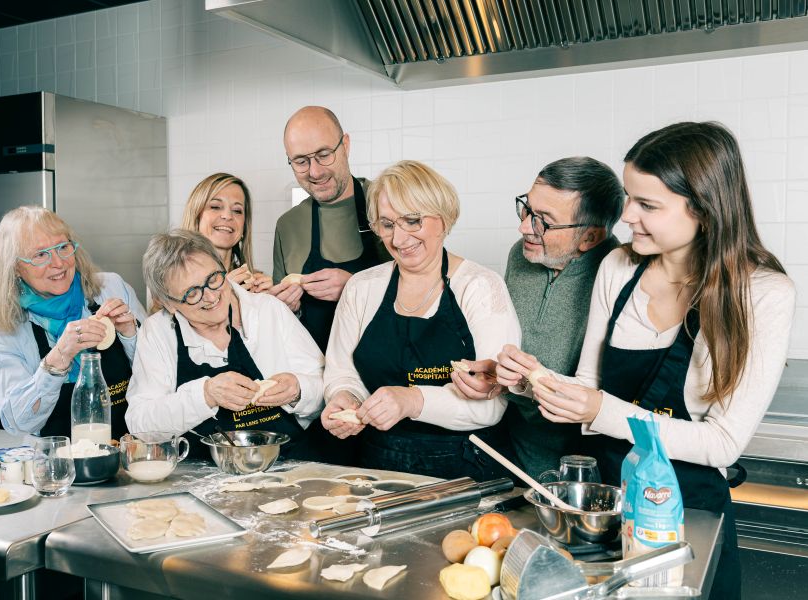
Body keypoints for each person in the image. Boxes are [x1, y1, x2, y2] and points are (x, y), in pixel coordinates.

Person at [496, 122, 795, 600]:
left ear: (704, 209)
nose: (626, 216)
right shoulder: (619, 269)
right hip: (605, 507)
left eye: (647, 205)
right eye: (630, 197)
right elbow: (590, 385)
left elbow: (721, 444)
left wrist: (599, 410)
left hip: (688, 519)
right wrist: (530, 379)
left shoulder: (762, 293)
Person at [321, 160, 523, 479]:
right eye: (387, 224)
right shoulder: (362, 288)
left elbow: (492, 403)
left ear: (443, 219)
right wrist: (344, 398)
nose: (399, 239)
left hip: (468, 466)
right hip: (378, 464)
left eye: (412, 221)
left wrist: (413, 400)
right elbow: (342, 372)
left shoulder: (481, 287)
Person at [125, 229, 324, 459]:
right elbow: (141, 425)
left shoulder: (268, 310)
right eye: (192, 293)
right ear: (169, 304)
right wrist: (206, 394)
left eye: (213, 279)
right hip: (200, 474)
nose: (211, 297)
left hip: (288, 463)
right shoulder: (158, 331)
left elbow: (326, 389)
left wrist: (298, 389)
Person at [498, 157, 624, 478]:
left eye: (544, 220)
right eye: (527, 209)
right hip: (511, 450)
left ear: (590, 238)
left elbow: (607, 395)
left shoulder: (620, 275)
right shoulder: (520, 254)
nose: (524, 227)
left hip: (583, 467)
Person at [0, 206, 146, 437]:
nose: (59, 263)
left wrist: (130, 335)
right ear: (14, 267)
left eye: (63, 247)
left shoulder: (111, 289)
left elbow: (161, 377)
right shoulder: (6, 330)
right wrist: (58, 359)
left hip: (130, 451)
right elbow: (18, 423)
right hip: (57, 466)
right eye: (40, 255)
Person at [270, 106, 386, 352]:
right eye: (301, 161)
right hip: (316, 381)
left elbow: (428, 293)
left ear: (345, 145)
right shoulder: (287, 226)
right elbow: (281, 328)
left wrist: (356, 288)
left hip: (388, 379)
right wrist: (285, 307)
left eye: (324, 154)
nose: (315, 171)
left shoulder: (389, 203)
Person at [181, 172, 272, 293]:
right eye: (215, 206)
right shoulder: (172, 279)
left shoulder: (255, 284)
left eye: (237, 210)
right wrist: (221, 295)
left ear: (244, 227)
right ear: (196, 217)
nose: (227, 216)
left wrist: (276, 303)